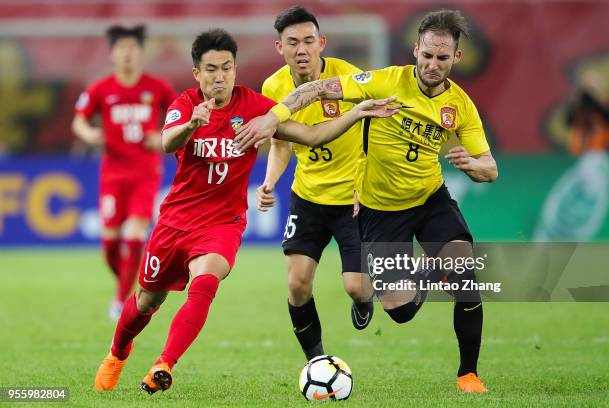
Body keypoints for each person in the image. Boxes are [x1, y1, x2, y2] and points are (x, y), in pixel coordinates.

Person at [92, 28, 399, 394]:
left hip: (223, 223)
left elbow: (312, 135)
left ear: (235, 69)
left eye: (227, 68)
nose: (219, 77)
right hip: (175, 222)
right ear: (197, 74)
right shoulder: (185, 104)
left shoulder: (255, 106)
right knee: (145, 300)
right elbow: (165, 142)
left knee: (205, 283)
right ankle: (116, 354)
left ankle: (164, 364)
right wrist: (192, 125)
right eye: (211, 69)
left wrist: (357, 113)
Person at [235, 9, 498, 393]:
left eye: (442, 58)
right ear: (415, 50)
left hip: (428, 198)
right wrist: (273, 118)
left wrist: (473, 165)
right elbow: (315, 90)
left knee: (463, 273)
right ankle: (427, 271)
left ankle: (469, 374)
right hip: (378, 209)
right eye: (427, 55)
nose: (432, 64)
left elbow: (490, 167)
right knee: (399, 309)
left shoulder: (460, 106)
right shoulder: (384, 81)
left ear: (456, 58)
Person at [256, 6, 374, 361]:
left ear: (322, 43)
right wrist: (269, 182)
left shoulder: (349, 79)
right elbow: (280, 143)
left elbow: (376, 132)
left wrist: (367, 184)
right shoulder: (273, 86)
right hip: (307, 197)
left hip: (353, 197)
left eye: (309, 41)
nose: (302, 49)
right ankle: (317, 362)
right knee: (296, 284)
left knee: (356, 287)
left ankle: (365, 299)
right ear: (280, 47)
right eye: (293, 42)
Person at [72, 25, 177, 320]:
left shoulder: (157, 87)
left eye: (133, 48)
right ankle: (136, 283)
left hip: (145, 173)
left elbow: (180, 116)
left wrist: (163, 136)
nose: (128, 54)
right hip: (113, 175)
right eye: (122, 48)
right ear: (113, 53)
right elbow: (78, 121)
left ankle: (121, 302)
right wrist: (90, 134)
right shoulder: (100, 88)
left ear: (141, 53)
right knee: (109, 246)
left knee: (134, 237)